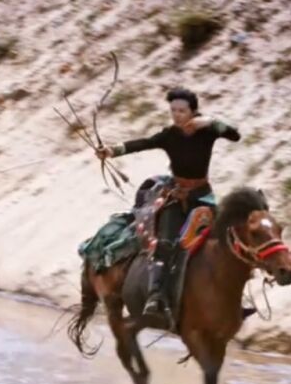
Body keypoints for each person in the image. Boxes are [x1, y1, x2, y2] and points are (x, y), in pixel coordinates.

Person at [96, 87, 240, 323]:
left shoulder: (207, 131)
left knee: (224, 240)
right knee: (164, 242)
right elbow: (144, 143)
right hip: (176, 196)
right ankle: (156, 296)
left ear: (193, 111)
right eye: (173, 110)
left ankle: (232, 296)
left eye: (182, 110)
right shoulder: (170, 134)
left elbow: (235, 135)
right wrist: (112, 151)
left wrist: (211, 122)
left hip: (203, 197)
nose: (177, 115)